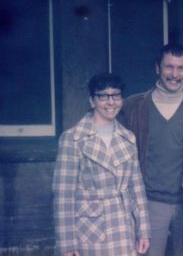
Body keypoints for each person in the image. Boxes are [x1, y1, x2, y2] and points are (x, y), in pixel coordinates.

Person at [121, 43, 183, 256]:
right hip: (150, 203)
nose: (174, 74)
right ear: (157, 68)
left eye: (181, 68)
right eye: (169, 67)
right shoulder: (133, 106)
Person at [53, 73, 150, 256]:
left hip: (124, 229)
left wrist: (143, 230)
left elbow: (137, 188)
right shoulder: (72, 139)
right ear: (92, 100)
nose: (110, 102)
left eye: (116, 95)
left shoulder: (128, 138)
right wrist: (67, 245)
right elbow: (63, 197)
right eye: (103, 96)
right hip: (90, 232)